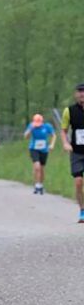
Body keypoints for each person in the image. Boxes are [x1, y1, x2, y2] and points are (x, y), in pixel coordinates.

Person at [59, 83, 84, 223]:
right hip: (77, 152)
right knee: (78, 181)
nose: (82, 94)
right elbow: (63, 130)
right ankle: (82, 210)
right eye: (79, 91)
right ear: (76, 94)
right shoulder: (69, 111)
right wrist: (65, 143)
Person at [24, 113, 56, 194]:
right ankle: (36, 184)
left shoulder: (47, 126)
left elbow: (54, 135)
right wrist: (30, 130)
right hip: (34, 149)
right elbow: (26, 137)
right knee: (37, 166)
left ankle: (40, 185)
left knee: (42, 168)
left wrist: (52, 144)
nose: (37, 125)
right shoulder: (31, 126)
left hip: (44, 149)